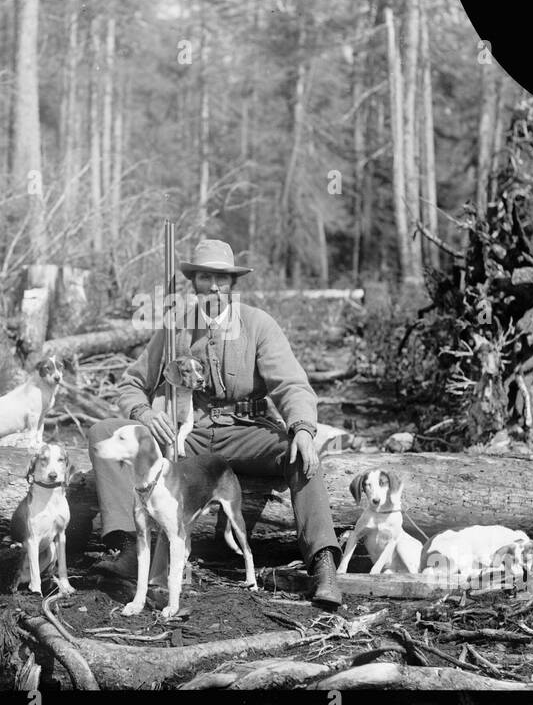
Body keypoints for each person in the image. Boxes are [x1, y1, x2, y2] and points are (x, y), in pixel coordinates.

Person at [87, 239, 343, 608]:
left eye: (222, 279)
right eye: (205, 277)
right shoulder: (176, 329)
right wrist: (146, 414)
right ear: (194, 283)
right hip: (188, 434)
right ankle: (130, 546)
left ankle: (322, 562)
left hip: (247, 431)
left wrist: (302, 427)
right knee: (102, 432)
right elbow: (131, 383)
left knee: (301, 454)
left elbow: (291, 385)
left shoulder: (257, 324)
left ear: (233, 284)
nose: (214, 287)